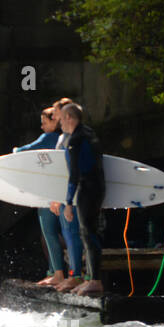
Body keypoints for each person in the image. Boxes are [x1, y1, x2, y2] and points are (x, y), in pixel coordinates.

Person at [53, 103, 105, 296]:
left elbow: (73, 175)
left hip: (87, 189)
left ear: (69, 117)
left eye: (61, 120)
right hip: (98, 187)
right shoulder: (89, 133)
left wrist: (67, 203)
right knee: (89, 232)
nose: (60, 124)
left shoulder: (75, 140)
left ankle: (95, 280)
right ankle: (91, 278)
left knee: (88, 233)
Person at [14, 105, 68, 288]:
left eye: (44, 122)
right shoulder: (65, 138)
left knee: (48, 233)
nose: (42, 127)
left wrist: (15, 150)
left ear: (54, 121)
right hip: (65, 193)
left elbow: (25, 150)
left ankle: (55, 272)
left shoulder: (49, 137)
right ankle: (71, 272)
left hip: (49, 194)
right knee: (67, 233)